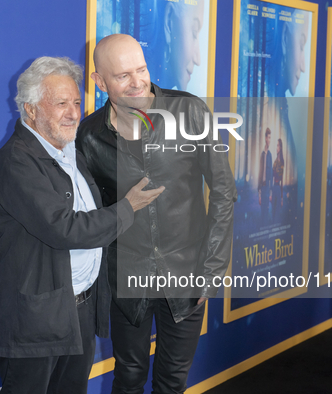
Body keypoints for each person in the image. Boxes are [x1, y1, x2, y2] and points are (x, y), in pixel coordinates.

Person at [0, 56, 164, 394]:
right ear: (30, 110)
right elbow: (65, 229)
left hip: (80, 311)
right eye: (60, 104)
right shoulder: (16, 160)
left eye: (76, 102)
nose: (73, 112)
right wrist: (129, 207)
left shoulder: (70, 147)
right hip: (37, 320)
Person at [76, 34, 236, 394]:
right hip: (125, 276)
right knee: (129, 376)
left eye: (142, 70)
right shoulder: (88, 136)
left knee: (171, 381)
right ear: (99, 81)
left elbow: (224, 191)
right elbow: (91, 215)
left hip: (187, 272)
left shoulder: (190, 112)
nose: (138, 83)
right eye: (122, 77)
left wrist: (212, 267)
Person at [258, 128, 273, 225]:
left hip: (267, 187)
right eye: (268, 138)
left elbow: (271, 175)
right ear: (265, 138)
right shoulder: (262, 155)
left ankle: (265, 226)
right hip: (262, 187)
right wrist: (259, 194)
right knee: (262, 208)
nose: (270, 140)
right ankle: (262, 225)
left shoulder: (270, 155)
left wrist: (270, 192)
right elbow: (260, 173)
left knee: (266, 209)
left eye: (271, 138)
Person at [272, 138, 284, 222]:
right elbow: (272, 177)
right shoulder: (275, 162)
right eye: (276, 146)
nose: (276, 147)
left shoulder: (282, 162)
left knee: (277, 212)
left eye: (278, 145)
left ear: (280, 147)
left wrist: (282, 197)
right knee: (273, 211)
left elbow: (282, 180)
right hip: (274, 188)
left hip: (278, 188)